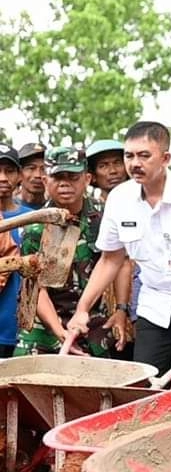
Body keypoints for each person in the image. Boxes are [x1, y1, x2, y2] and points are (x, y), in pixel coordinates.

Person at [67, 121, 171, 378]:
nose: (135, 163)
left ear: (165, 158)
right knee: (146, 386)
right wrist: (82, 309)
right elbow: (110, 259)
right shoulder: (119, 199)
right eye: (129, 155)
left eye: (144, 155)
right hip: (155, 306)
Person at [15, 147, 129, 356]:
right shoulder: (34, 227)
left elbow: (121, 263)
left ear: (86, 179)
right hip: (46, 327)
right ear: (45, 180)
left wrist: (122, 310)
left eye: (73, 177)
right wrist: (60, 332)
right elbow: (35, 290)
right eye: (58, 177)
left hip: (92, 322)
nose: (65, 184)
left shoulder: (105, 217)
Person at [87, 138, 136, 355]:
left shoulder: (144, 202)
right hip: (103, 305)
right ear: (93, 175)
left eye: (117, 162)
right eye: (103, 165)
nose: (112, 170)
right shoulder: (91, 214)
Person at [0, 145, 31, 357]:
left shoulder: (35, 218)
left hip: (23, 330)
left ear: (19, 175)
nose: (2, 178)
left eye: (9, 171)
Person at [16, 142, 46, 210]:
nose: (38, 175)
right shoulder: (5, 208)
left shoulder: (56, 208)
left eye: (43, 169)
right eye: (31, 168)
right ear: (19, 173)